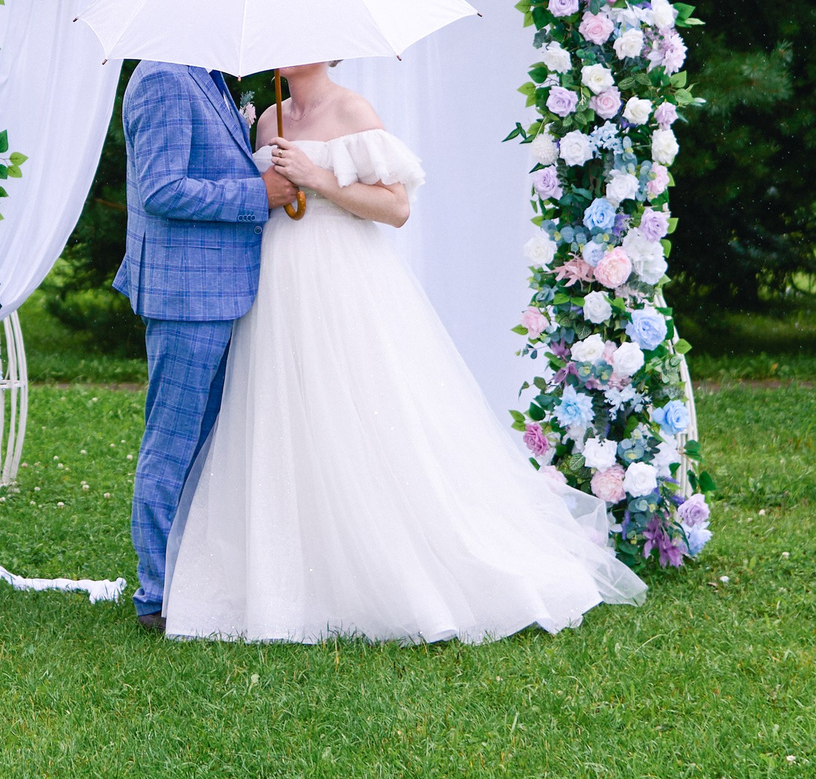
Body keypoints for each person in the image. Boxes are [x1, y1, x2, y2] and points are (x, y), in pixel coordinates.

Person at [154, 59, 646, 644]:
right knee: (286, 419)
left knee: (357, 415)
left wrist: (316, 176)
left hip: (340, 280)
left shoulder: (352, 109)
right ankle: (293, 576)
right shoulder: (266, 117)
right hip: (276, 285)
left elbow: (395, 208)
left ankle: (389, 566)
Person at [114, 57, 298, 633]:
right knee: (173, 441)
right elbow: (162, 188)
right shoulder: (164, 78)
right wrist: (257, 192)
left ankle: (194, 573)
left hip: (221, 290)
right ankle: (157, 595)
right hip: (184, 293)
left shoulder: (211, 77)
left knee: (209, 442)